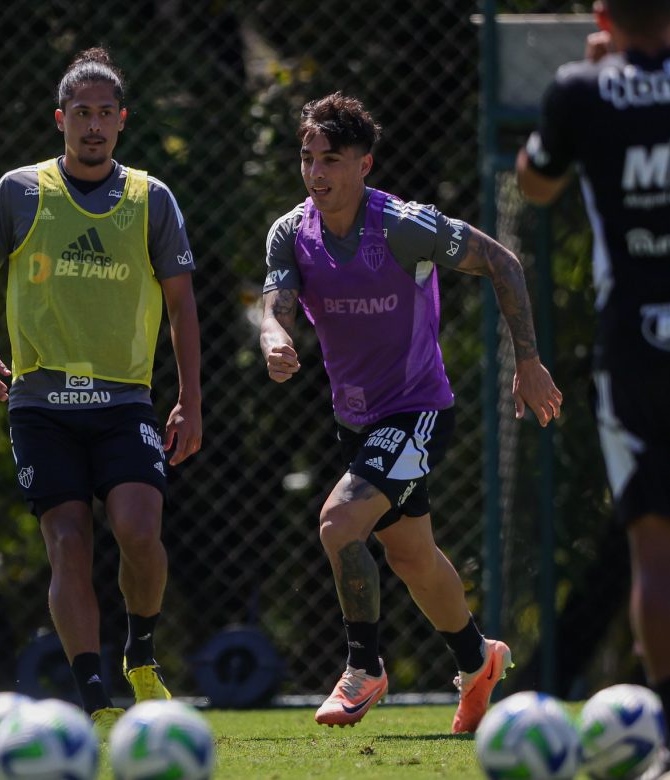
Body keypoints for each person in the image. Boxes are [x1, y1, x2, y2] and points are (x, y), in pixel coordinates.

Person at [260, 93, 563, 731]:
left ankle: (363, 669)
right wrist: (274, 338)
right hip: (356, 422)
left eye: (332, 160)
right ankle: (477, 659)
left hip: (418, 411)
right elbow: (277, 306)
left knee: (340, 523)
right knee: (411, 558)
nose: (316, 174)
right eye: (308, 159)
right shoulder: (292, 233)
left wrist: (528, 361)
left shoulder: (402, 226)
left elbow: (501, 263)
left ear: (365, 164)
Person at [0, 47, 202, 735]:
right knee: (68, 541)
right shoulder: (21, 191)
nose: (93, 126)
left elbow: (183, 307)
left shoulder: (152, 199)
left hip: (125, 401)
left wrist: (191, 400)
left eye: (105, 114)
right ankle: (94, 701)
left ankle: (141, 656)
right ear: (60, 119)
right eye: (81, 114)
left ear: (122, 122)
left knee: (139, 530)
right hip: (40, 402)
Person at [517, 0, 670, 764]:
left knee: (653, 546)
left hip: (638, 341)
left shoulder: (582, 87)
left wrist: (601, 70)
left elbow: (537, 186)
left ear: (605, 16)